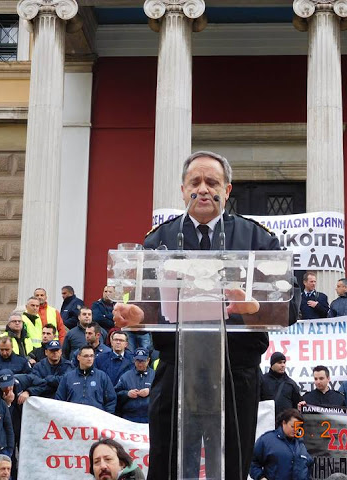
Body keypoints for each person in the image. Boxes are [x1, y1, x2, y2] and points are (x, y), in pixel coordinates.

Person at [114, 151, 298, 480]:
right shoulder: (159, 241)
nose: (203, 189)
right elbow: (149, 307)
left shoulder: (257, 239)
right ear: (183, 190)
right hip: (176, 370)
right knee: (167, 465)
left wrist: (253, 308)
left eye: (212, 182)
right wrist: (136, 314)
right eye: (194, 182)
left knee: (231, 467)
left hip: (236, 371)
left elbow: (290, 308)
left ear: (227, 190)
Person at [249, 408, 313, 480]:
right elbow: (252, 463)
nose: (295, 430)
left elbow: (308, 466)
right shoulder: (267, 440)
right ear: (284, 423)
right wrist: (260, 477)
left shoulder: (301, 444)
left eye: (298, 428)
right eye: (292, 426)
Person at [56, 346, 116, 413]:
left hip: (96, 419)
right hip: (73, 418)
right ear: (78, 357)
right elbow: (59, 400)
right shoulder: (68, 377)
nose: (89, 359)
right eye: (86, 356)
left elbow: (111, 400)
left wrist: (106, 417)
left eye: (91, 356)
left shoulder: (102, 376)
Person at [115, 348, 155, 423]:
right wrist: (127, 394)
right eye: (137, 361)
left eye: (142, 361)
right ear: (134, 360)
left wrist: (150, 391)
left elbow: (163, 393)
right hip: (130, 417)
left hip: (149, 418)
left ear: (148, 360)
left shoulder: (155, 375)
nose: (140, 364)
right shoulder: (126, 376)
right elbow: (115, 394)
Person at [260, 352, 302, 417]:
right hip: (266, 422)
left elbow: (297, 405)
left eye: (284, 362)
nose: (283, 365)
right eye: (279, 362)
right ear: (272, 364)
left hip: (285, 423)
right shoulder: (262, 380)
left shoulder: (291, 383)